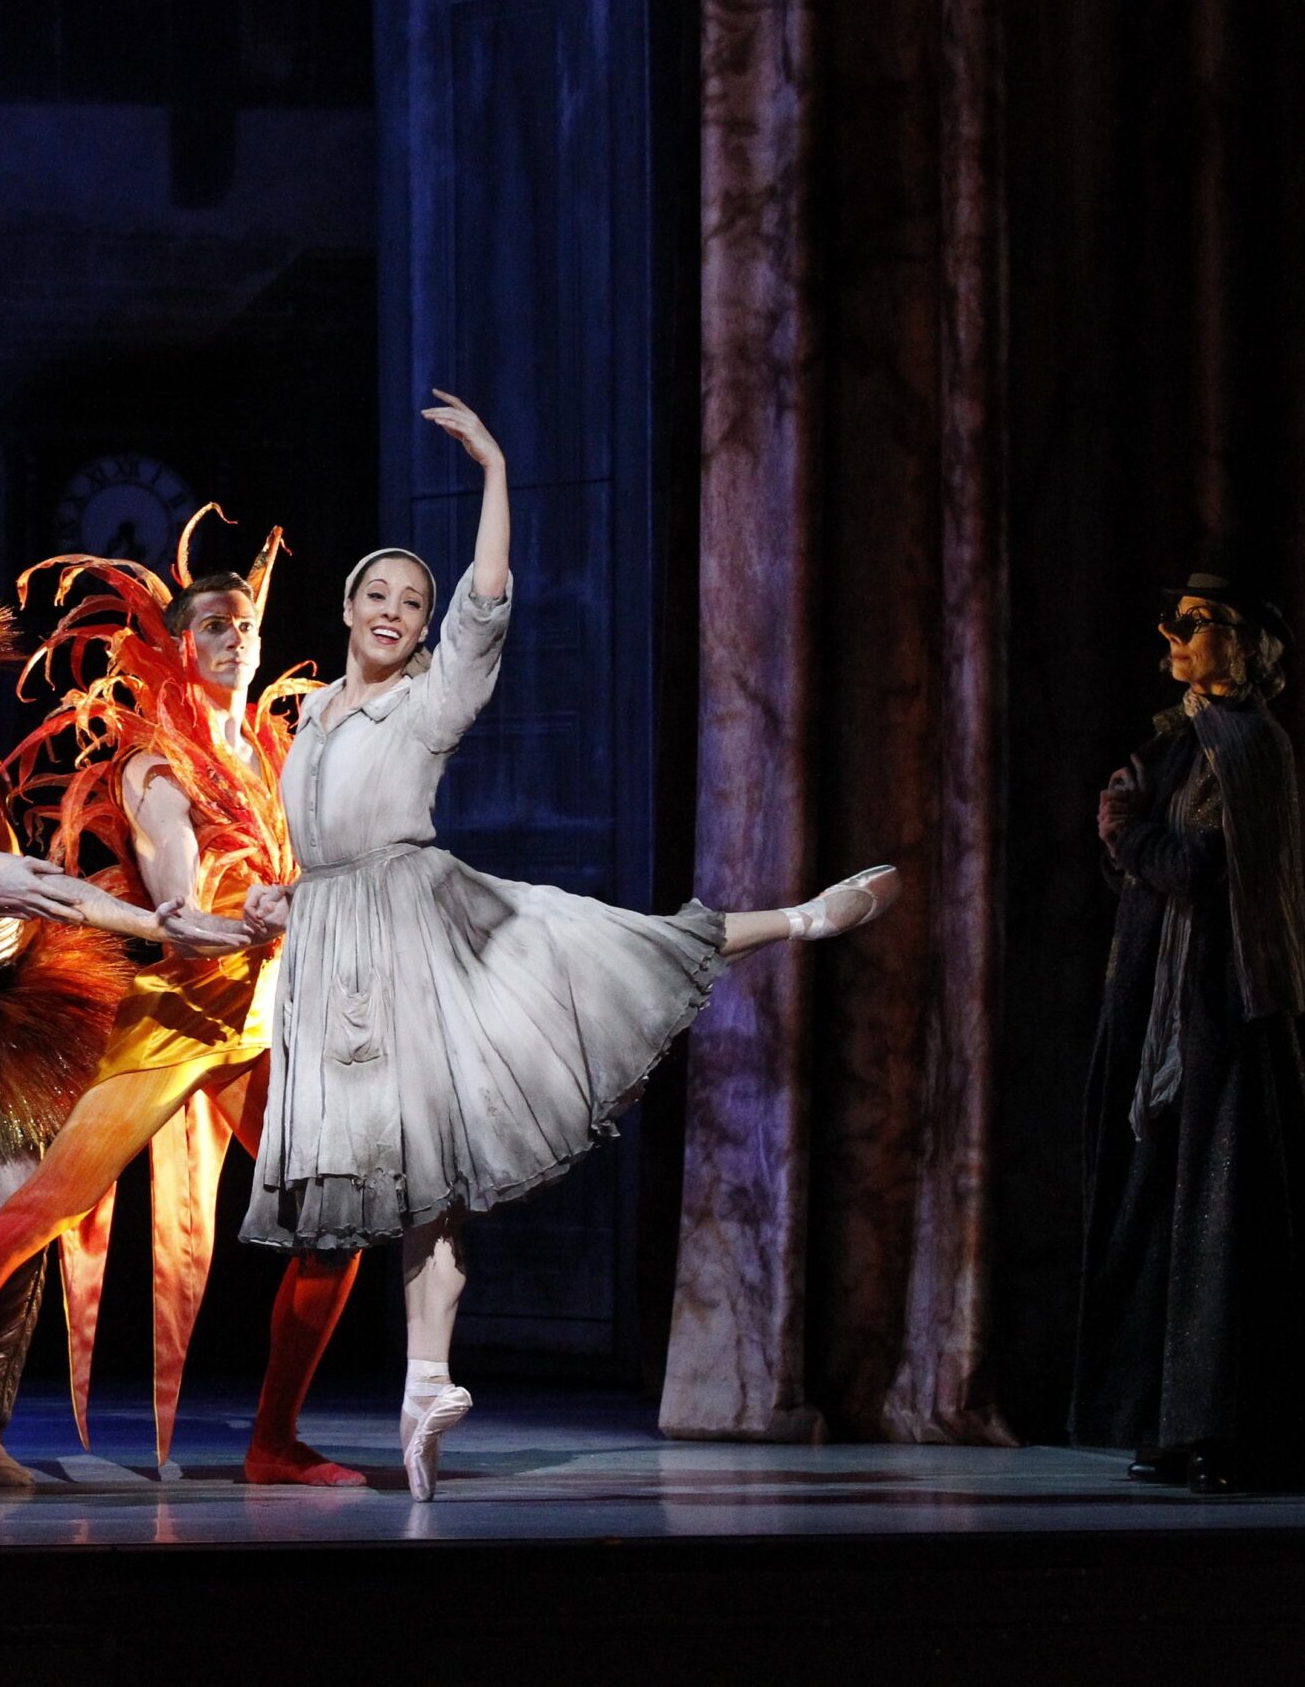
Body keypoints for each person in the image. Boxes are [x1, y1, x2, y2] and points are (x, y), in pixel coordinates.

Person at [236, 392, 900, 1500]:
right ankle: (420, 1395)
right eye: (380, 595)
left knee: (595, 963)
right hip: (329, 954)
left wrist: (495, 471)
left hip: (414, 935)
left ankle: (798, 918)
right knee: (398, 1185)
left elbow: (485, 603)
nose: (398, 609)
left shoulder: (430, 703)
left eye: (413, 597)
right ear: (347, 608)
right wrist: (281, 899)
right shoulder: (307, 717)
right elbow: (318, 849)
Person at [0, 516, 368, 1494]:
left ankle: (272, 1442)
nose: (235, 639)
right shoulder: (156, 760)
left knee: (340, 1216)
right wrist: (179, 920)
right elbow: (151, 877)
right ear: (179, 644)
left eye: (245, 623)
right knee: (19, 1219)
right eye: (213, 624)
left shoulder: (270, 750)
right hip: (166, 1020)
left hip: (249, 1018)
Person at [1069, 572, 1305, 1494]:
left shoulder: (1252, 747)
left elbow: (1200, 864)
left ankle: (1238, 1432)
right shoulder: (1177, 742)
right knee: (1166, 1215)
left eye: (1199, 624)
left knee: (1229, 1224)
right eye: (1176, 623)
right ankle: (1172, 1423)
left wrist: (1126, 831)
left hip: (1235, 1012)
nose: (1177, 636)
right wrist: (1136, 824)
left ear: (1243, 645)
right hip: (1171, 1011)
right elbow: (1152, 838)